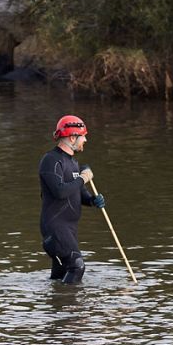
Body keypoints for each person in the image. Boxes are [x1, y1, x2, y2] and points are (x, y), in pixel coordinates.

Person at [40, 115, 106, 284]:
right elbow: (60, 192)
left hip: (69, 229)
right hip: (55, 227)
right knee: (77, 266)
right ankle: (70, 307)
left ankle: (57, 304)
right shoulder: (51, 160)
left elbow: (78, 193)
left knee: (60, 275)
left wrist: (92, 200)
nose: (85, 140)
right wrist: (83, 178)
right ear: (72, 137)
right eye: (83, 136)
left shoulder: (74, 163)